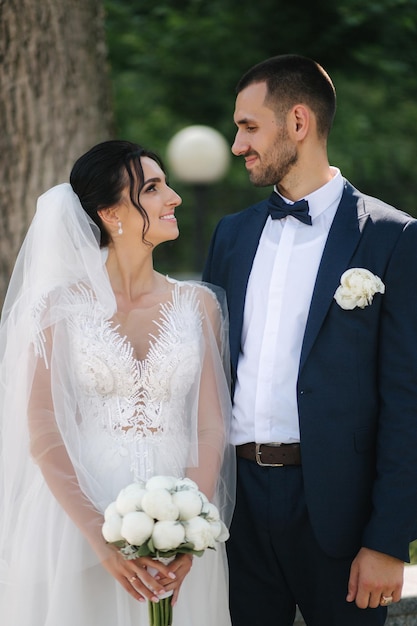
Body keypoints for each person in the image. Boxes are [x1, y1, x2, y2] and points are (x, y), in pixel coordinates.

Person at [202, 54, 417, 626]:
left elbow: (408, 400)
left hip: (340, 519)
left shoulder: (394, 238)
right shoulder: (231, 234)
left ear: (298, 122)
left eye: (249, 126)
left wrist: (390, 540)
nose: (236, 144)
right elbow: (210, 372)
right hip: (237, 512)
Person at [0, 140, 235, 626]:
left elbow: (210, 427)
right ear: (111, 213)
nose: (175, 198)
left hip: (177, 522)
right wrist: (99, 539)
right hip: (77, 522)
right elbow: (43, 429)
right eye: (152, 188)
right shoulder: (57, 309)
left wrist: (189, 528)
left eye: (167, 185)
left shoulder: (199, 306)